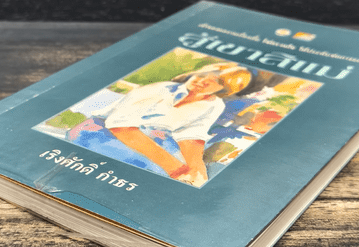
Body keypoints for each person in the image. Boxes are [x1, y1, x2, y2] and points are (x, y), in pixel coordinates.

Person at [67, 64, 252, 186]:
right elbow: (121, 127)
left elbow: (191, 136)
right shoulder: (159, 89)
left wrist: (197, 172)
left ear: (225, 89)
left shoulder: (214, 104)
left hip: (151, 139)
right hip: (101, 132)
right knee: (153, 172)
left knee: (196, 177)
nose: (204, 81)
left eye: (216, 81)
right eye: (203, 74)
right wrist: (176, 169)